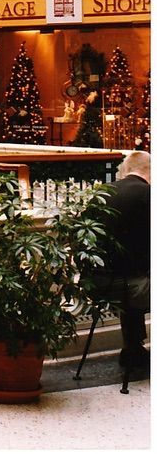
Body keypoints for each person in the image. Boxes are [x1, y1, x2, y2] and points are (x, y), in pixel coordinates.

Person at [98, 148, 150, 377]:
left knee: (132, 276)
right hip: (133, 288)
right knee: (137, 278)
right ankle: (135, 349)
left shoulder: (102, 193)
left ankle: (134, 349)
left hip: (100, 284)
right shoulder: (146, 195)